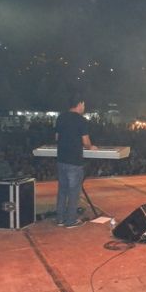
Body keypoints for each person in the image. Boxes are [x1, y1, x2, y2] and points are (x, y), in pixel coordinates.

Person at [55, 93, 98, 228]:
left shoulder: (61, 117)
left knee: (62, 191)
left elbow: (57, 137)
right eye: (83, 105)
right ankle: (71, 221)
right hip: (74, 161)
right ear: (79, 104)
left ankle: (60, 219)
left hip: (61, 159)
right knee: (74, 192)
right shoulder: (81, 120)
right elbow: (85, 141)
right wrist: (91, 147)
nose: (84, 107)